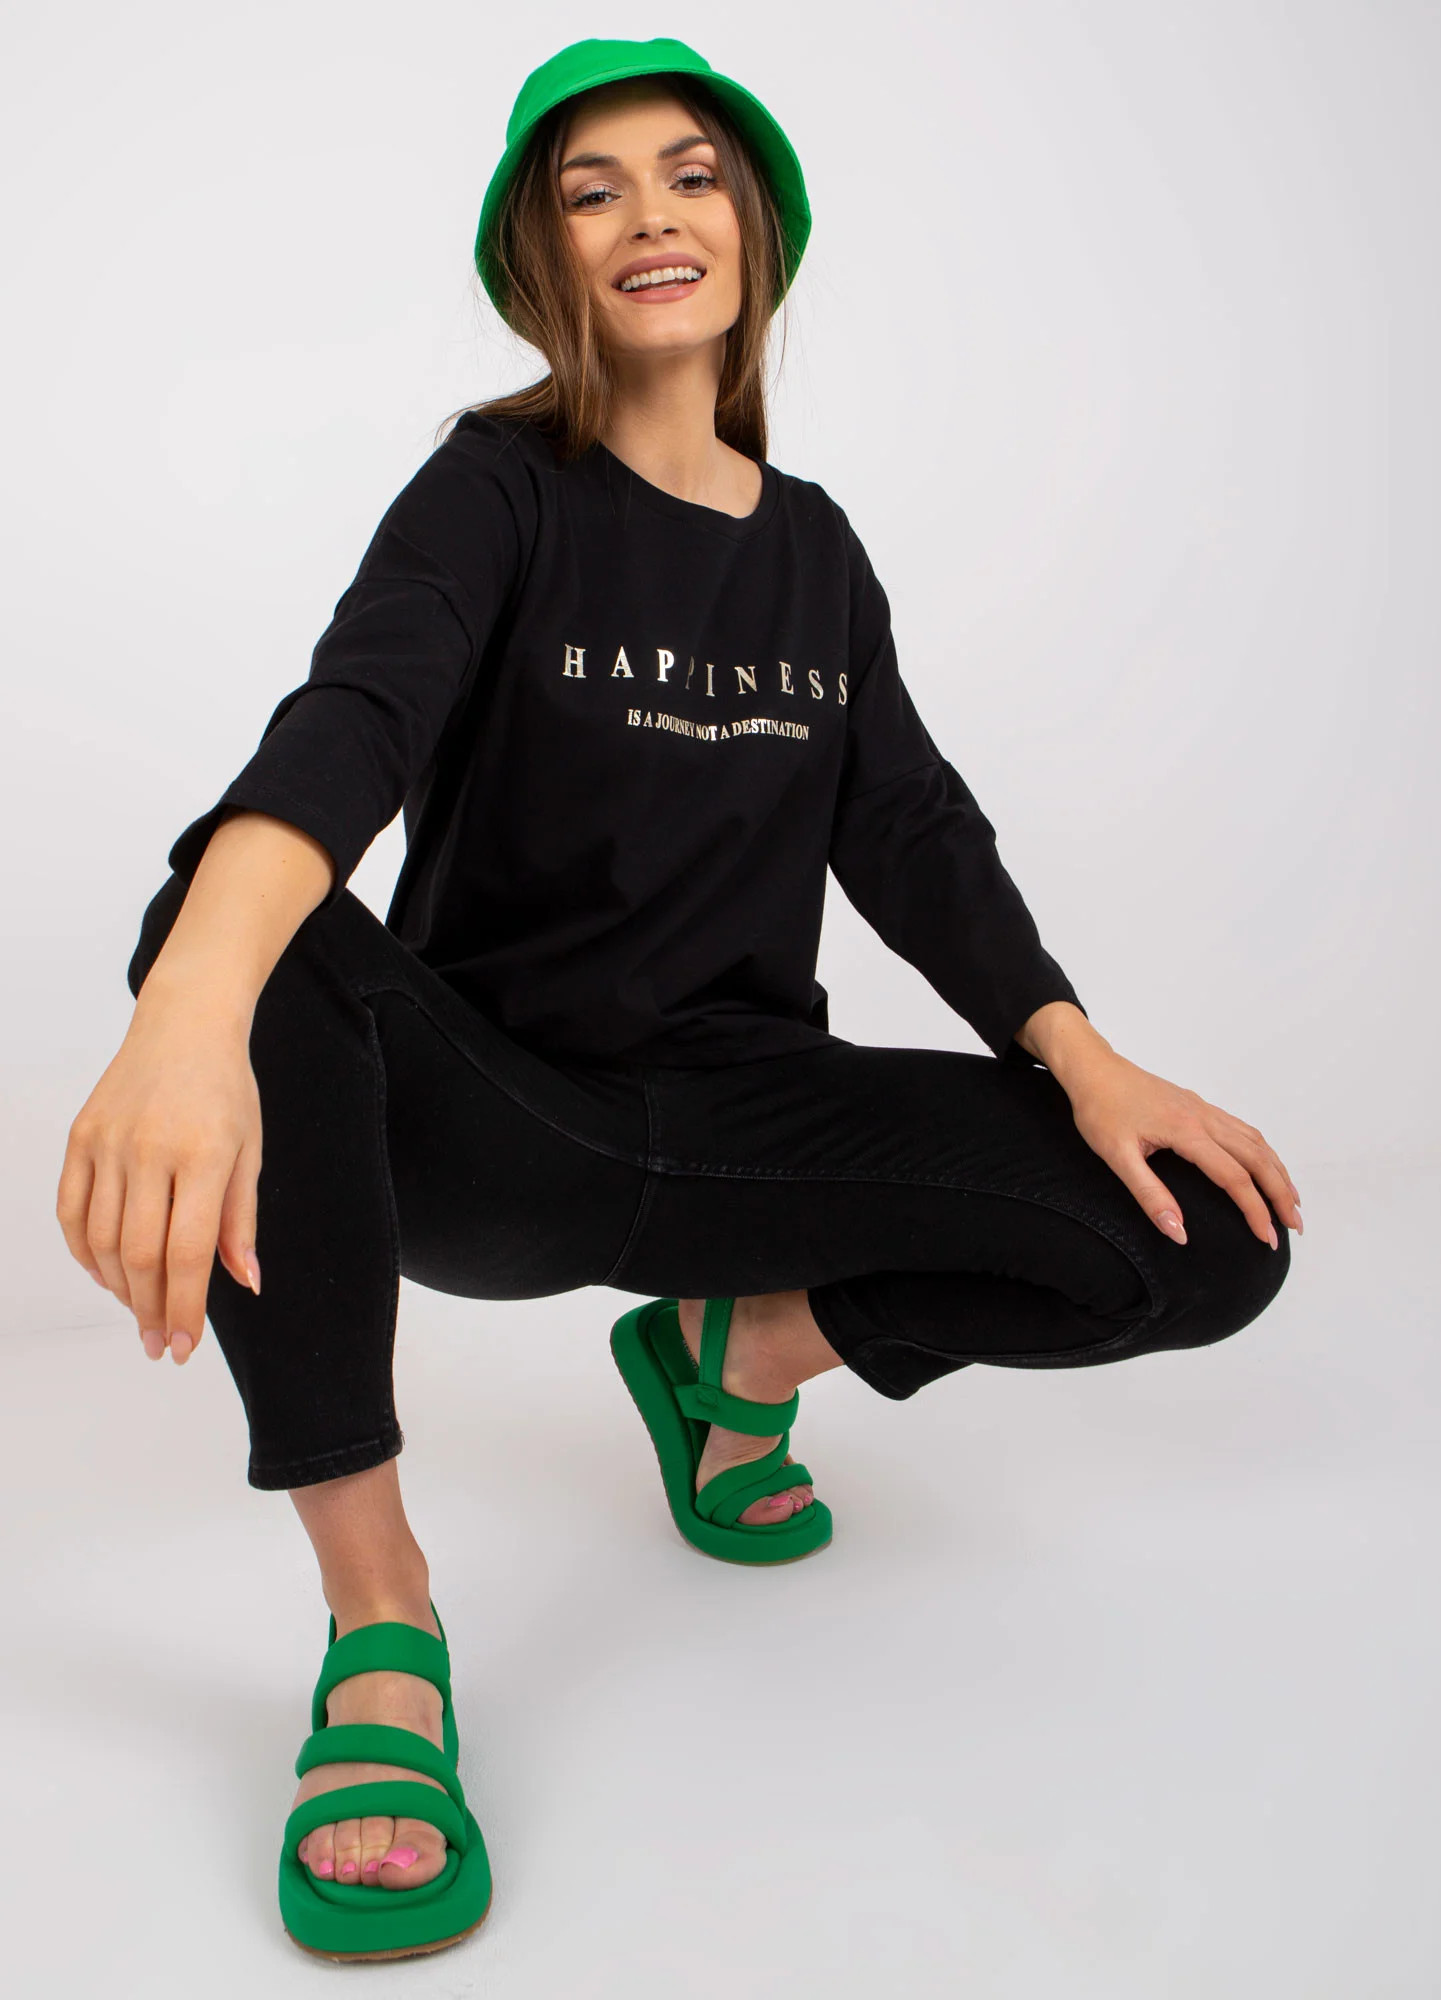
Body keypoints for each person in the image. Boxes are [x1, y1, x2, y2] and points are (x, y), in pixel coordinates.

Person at [55, 35, 1301, 1964]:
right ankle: (382, 1621)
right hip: (509, 1131)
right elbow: (354, 718)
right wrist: (188, 1017)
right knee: (226, 916)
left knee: (1206, 1232)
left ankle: (746, 1357)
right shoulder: (496, 490)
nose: (651, 213)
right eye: (594, 187)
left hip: (747, 1133)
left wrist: (1083, 1056)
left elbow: (914, 831)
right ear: (544, 257)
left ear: (753, 228)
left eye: (692, 172)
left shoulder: (817, 552)